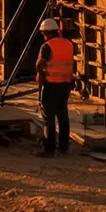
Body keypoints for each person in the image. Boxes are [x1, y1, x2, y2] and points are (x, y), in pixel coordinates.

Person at [34, 17, 77, 154]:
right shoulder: (69, 44)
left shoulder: (47, 46)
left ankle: (49, 149)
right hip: (65, 84)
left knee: (48, 117)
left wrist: (41, 73)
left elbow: (39, 64)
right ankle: (64, 147)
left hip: (51, 84)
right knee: (63, 115)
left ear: (45, 32)